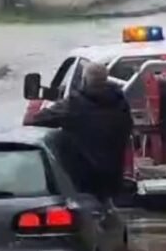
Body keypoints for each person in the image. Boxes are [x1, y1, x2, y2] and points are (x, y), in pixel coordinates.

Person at [24, 62, 134, 204]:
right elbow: (127, 128)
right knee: (107, 212)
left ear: (85, 80)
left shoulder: (74, 105)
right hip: (112, 175)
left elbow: (36, 121)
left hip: (81, 176)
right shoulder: (120, 103)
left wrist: (35, 107)